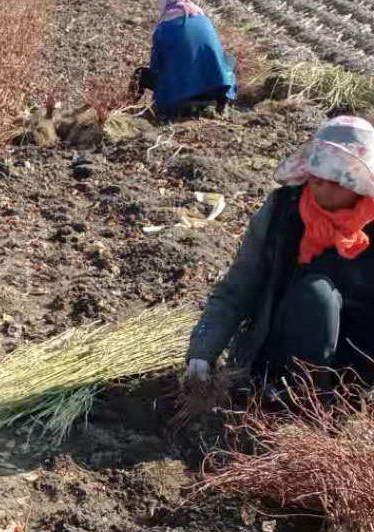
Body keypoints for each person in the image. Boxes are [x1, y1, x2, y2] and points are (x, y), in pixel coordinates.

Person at [186, 116, 374, 393]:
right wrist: (202, 351)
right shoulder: (283, 210)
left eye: (339, 175)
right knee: (316, 295)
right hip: (282, 354)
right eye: (319, 171)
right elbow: (239, 285)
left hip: (359, 360)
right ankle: (302, 400)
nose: (323, 182)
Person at [138, 0, 237, 116]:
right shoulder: (203, 19)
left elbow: (156, 67)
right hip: (213, 92)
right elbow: (217, 55)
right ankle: (222, 103)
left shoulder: (163, 28)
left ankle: (127, 109)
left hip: (179, 95)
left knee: (139, 74)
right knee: (229, 60)